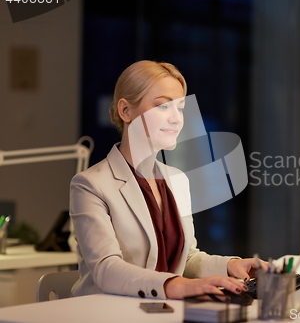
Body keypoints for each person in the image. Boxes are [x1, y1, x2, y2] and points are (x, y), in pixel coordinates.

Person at [70, 60, 266, 300]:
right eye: (163, 107)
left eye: (180, 108)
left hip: (161, 311)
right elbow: (106, 269)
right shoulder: (90, 185)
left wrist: (230, 265)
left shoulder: (177, 180)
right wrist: (178, 286)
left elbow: (187, 257)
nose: (176, 118)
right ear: (125, 111)